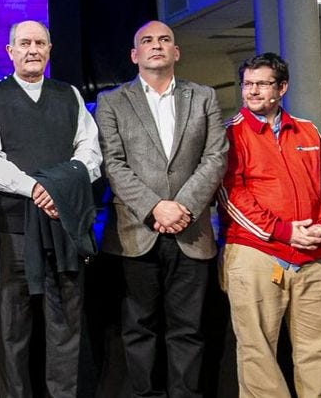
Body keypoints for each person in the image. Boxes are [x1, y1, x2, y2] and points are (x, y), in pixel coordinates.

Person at [95, 20, 227, 398]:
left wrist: (181, 207)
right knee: (139, 328)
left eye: (165, 40)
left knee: (189, 329)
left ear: (176, 52)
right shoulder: (112, 101)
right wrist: (155, 208)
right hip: (137, 232)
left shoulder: (202, 96)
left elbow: (216, 156)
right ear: (135, 55)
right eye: (147, 41)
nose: (157, 46)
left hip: (192, 231)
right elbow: (112, 162)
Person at [0, 20, 102, 397]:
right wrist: (36, 188)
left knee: (66, 328)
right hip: (15, 231)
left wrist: (56, 189)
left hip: (65, 228)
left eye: (39, 43)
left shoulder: (69, 95)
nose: (32, 50)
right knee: (14, 332)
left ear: (49, 49)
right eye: (24, 43)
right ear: (10, 51)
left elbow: (91, 154)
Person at [218, 53, 321, 397]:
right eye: (247, 84)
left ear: (282, 87)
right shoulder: (230, 134)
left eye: (262, 83)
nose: (253, 91)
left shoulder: (307, 130)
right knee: (258, 356)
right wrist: (285, 231)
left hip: (314, 257)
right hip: (256, 254)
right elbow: (232, 194)